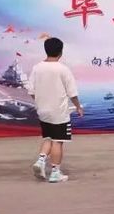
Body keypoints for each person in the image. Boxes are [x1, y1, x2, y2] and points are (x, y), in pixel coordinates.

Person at [27, 37, 84, 183]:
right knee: (58, 141)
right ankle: (55, 173)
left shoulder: (37, 68)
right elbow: (72, 93)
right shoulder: (63, 69)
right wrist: (78, 106)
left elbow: (31, 91)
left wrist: (40, 102)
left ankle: (40, 161)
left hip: (43, 111)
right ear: (61, 52)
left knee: (48, 138)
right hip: (59, 112)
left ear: (46, 50)